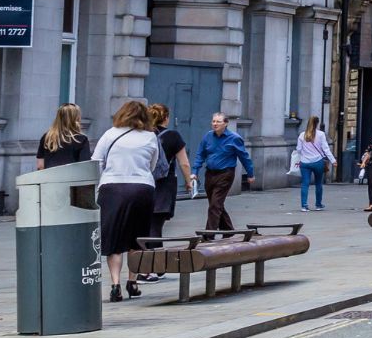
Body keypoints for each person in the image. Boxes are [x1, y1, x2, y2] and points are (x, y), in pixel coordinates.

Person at [93, 100, 163, 302]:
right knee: (137, 237)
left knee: (114, 239)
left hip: (112, 188)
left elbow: (96, 162)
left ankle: (115, 284)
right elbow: (153, 164)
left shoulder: (110, 134)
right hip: (142, 188)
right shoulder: (151, 137)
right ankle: (132, 281)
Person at [138, 103, 192, 283]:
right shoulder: (173, 136)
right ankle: (151, 269)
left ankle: (157, 266)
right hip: (164, 184)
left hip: (143, 183)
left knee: (148, 225)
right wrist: (189, 181)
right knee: (155, 227)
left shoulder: (141, 135)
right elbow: (184, 163)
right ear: (166, 117)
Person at [191, 111, 254, 230]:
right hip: (210, 174)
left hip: (225, 174)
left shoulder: (234, 139)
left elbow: (244, 157)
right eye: (213, 121)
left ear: (226, 123)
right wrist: (195, 171)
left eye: (218, 122)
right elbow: (200, 154)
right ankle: (228, 231)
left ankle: (209, 234)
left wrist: (250, 174)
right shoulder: (208, 136)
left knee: (215, 204)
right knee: (215, 204)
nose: (215, 124)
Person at [295, 115, 336, 211]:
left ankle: (304, 205)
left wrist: (305, 154)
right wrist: (333, 160)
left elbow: (299, 149)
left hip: (305, 163)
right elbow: (326, 149)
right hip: (318, 162)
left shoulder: (302, 135)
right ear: (317, 123)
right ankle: (318, 204)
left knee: (305, 183)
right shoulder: (321, 134)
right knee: (318, 183)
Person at [36, 103, 91, 169]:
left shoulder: (47, 137)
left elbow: (40, 165)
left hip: (49, 178)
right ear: (76, 118)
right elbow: (85, 166)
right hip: (71, 178)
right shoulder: (82, 139)